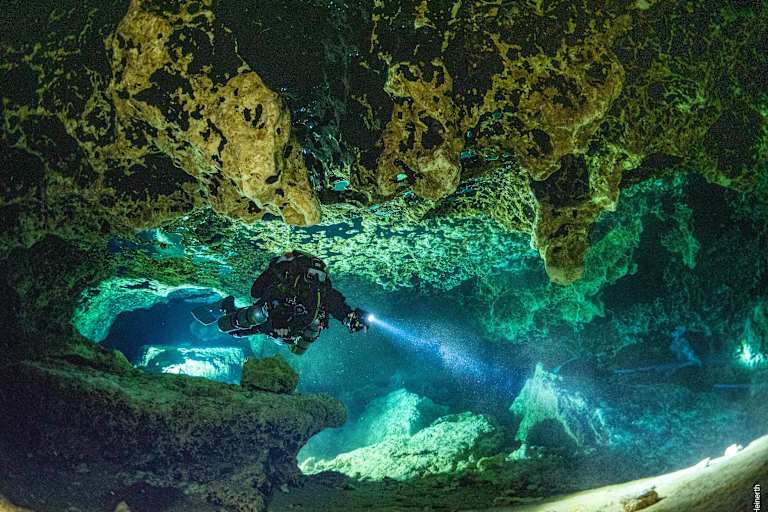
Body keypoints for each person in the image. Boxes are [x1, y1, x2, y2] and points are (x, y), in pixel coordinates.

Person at [205, 251, 369, 355]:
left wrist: (351, 319)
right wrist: (350, 319)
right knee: (241, 329)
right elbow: (338, 307)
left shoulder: (315, 290)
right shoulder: (316, 290)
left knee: (242, 328)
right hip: (280, 327)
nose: (314, 279)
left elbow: (256, 291)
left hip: (280, 326)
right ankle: (227, 310)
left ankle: (228, 311)